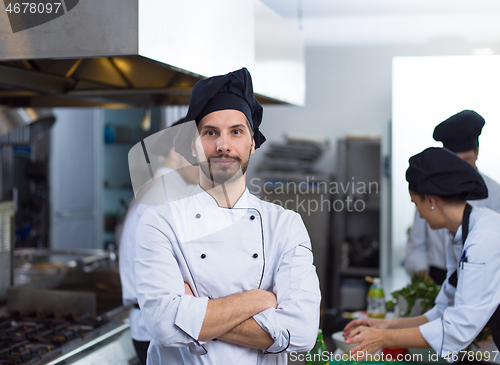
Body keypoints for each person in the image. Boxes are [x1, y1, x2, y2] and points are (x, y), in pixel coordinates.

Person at [133, 67, 321, 365]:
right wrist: (259, 300)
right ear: (193, 147)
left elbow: (302, 334)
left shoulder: (285, 225)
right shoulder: (160, 223)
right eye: (210, 133)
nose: (223, 145)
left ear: (253, 143)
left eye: (236, 131)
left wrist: (193, 311)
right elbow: (162, 324)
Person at [344, 147, 500, 362]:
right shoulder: (459, 236)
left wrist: (384, 338)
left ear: (431, 201)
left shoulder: (483, 238)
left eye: (416, 204)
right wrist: (387, 326)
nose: (418, 213)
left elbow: (457, 329)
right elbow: (445, 310)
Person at [119, 120, 199, 365]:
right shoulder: (168, 195)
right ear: (176, 152)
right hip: (159, 328)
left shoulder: (163, 188)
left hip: (150, 324)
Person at [405, 110, 500, 284]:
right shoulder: (429, 190)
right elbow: (416, 246)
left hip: (481, 279)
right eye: (454, 162)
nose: (460, 169)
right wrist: (425, 279)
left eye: (466, 160)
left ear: (477, 152)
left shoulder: (494, 193)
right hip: (438, 277)